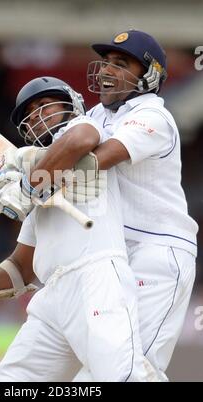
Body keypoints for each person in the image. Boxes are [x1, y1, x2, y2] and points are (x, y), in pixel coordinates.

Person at [0, 77, 155, 382]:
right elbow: (20, 268)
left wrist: (26, 184)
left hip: (97, 280)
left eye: (44, 105)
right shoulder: (43, 189)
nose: (37, 114)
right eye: (30, 113)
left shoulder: (88, 132)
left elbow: (79, 140)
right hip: (52, 298)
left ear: (71, 106)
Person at [79, 29, 198, 381]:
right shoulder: (98, 115)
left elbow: (93, 163)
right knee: (102, 370)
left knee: (134, 370)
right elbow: (59, 148)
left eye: (120, 64)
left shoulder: (152, 116)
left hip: (158, 254)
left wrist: (36, 174)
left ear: (149, 75)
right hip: (114, 256)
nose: (106, 70)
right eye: (105, 62)